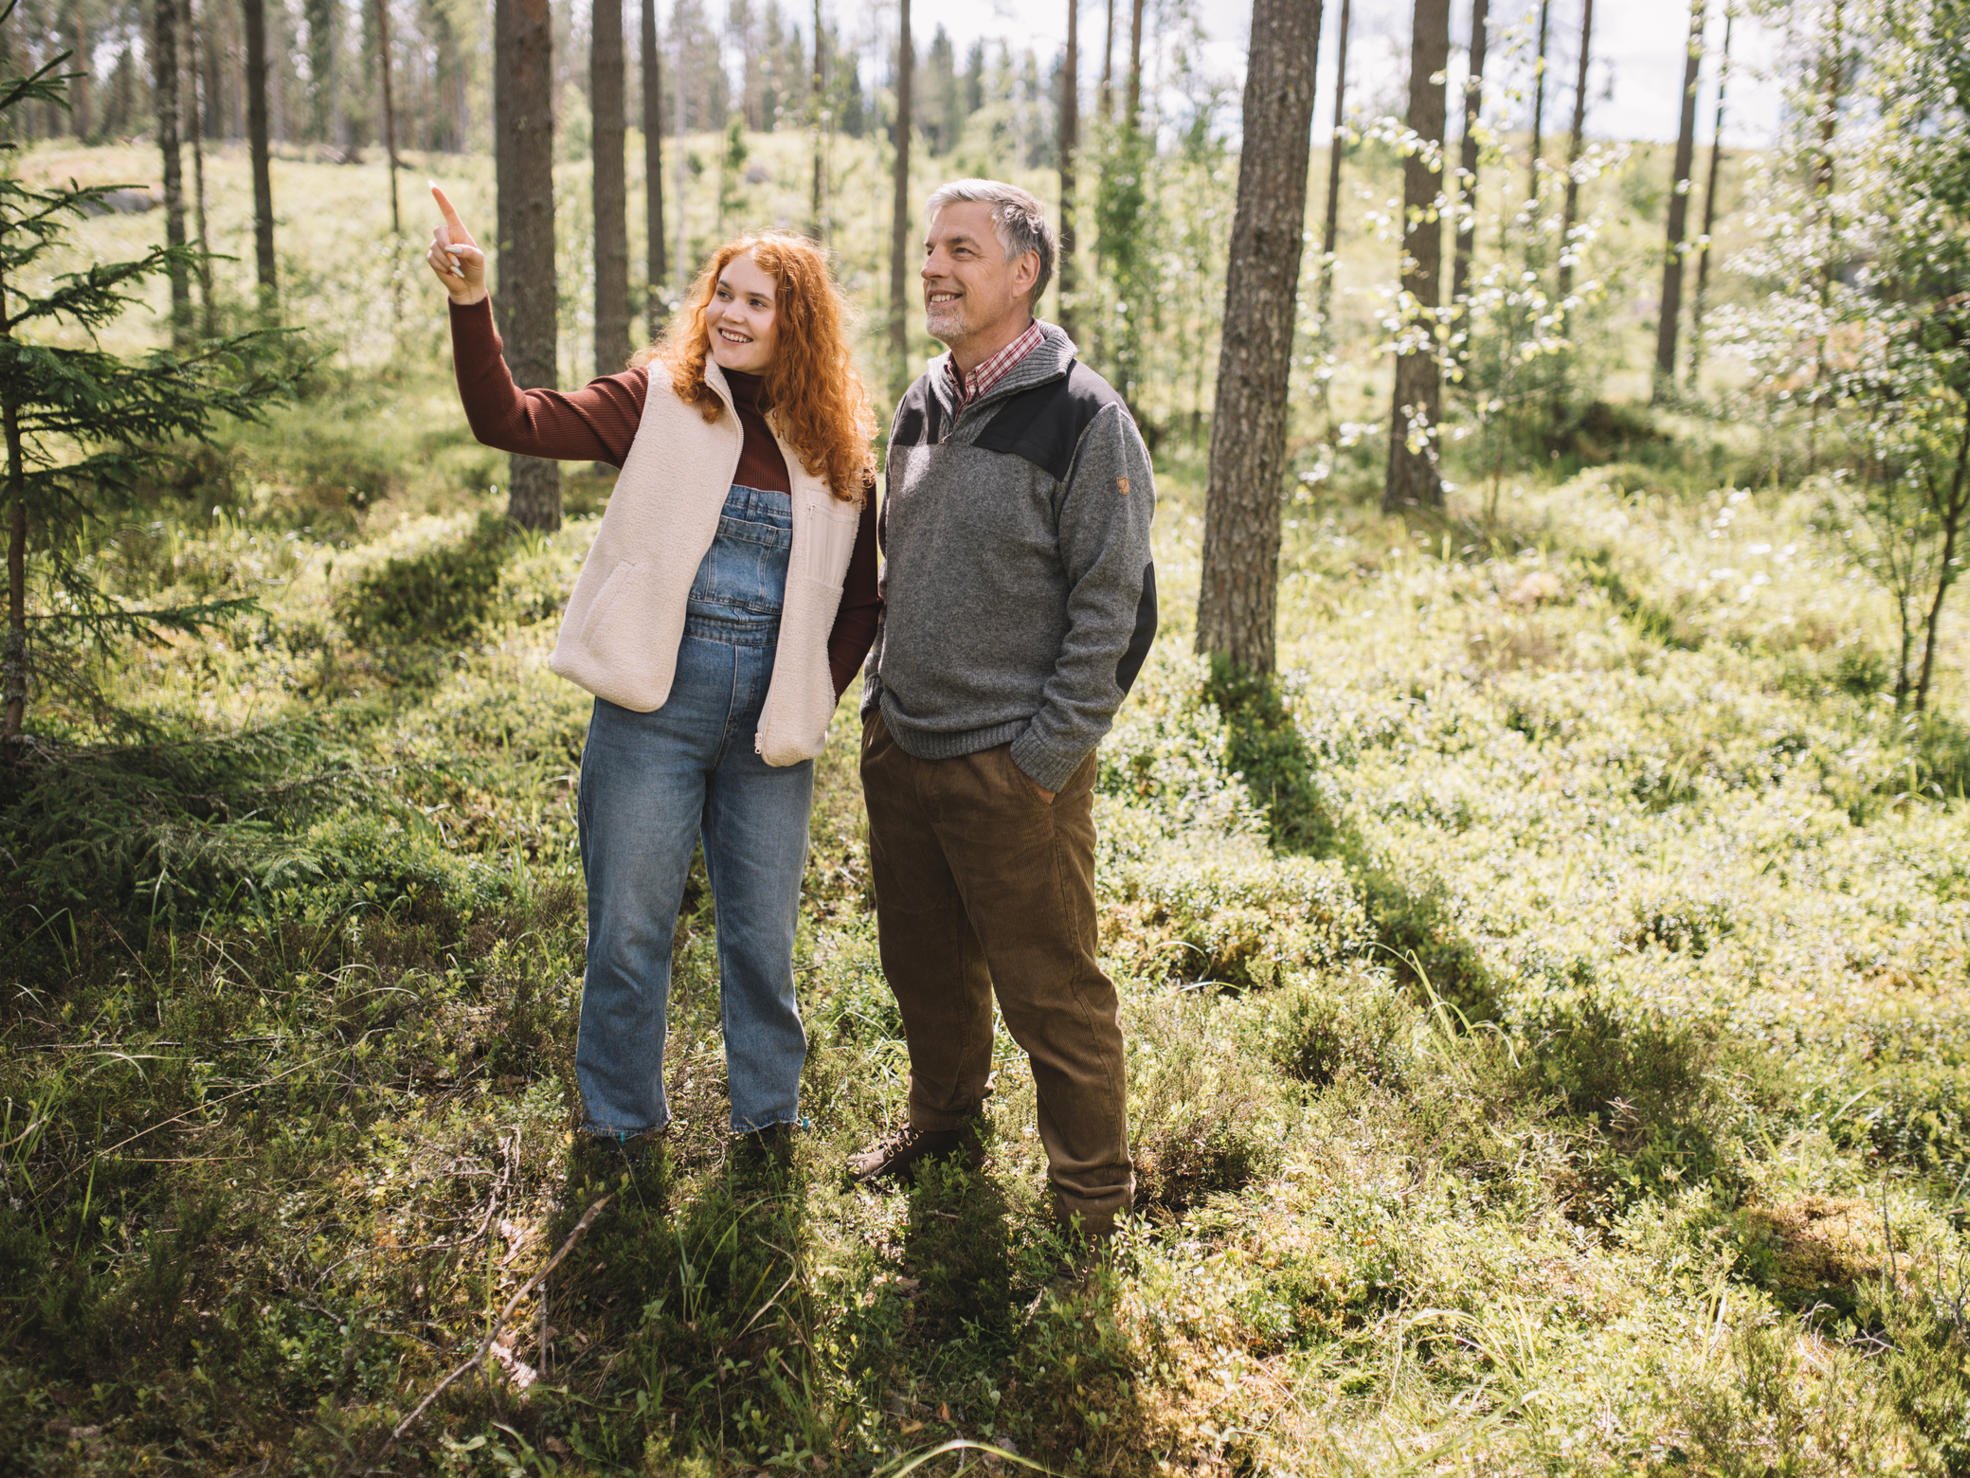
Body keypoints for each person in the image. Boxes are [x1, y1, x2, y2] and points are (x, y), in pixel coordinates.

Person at [425, 186, 878, 1152]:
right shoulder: (657, 401)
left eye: (759, 301)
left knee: (761, 944)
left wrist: (813, 688)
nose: (732, 313)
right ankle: (622, 1129)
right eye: (724, 292)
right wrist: (474, 307)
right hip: (652, 710)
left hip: (771, 727)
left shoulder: (835, 450)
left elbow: (863, 601)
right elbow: (507, 419)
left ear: (797, 323)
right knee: (630, 934)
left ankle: (768, 1126)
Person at [847, 179, 1157, 1237]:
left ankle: (1088, 1204)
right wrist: (880, 710)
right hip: (905, 750)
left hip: (1010, 775)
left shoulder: (1085, 419)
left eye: (961, 250)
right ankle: (942, 1123)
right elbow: (900, 563)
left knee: (1053, 996)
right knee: (922, 967)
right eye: (930, 245)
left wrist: (1041, 759)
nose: (933, 266)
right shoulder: (922, 398)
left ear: (1022, 273)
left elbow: (1114, 611)